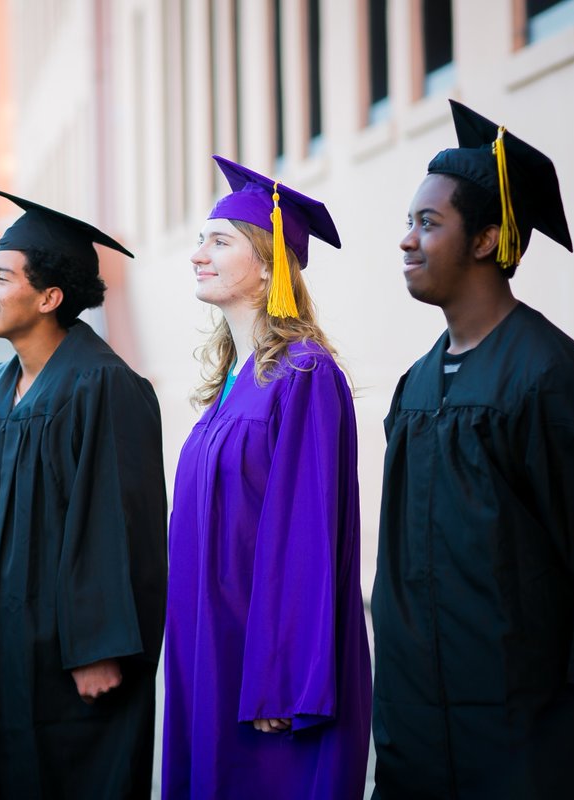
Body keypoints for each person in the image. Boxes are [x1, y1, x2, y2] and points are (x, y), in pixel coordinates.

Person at [371, 100, 574, 799]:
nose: (407, 241)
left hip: (528, 740)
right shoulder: (416, 387)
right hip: (419, 735)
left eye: (429, 223)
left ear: (485, 239)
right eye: (408, 223)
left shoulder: (549, 378)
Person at [0, 190, 167, 800]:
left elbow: (122, 526)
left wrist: (101, 648)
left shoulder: (105, 386)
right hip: (1, 641)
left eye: (1, 276)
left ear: (50, 297)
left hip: (71, 656)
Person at [162, 155, 372, 799]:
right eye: (200, 239)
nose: (198, 253)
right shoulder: (232, 382)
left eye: (219, 241)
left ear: (268, 264)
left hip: (264, 665)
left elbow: (307, 536)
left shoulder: (304, 377)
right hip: (210, 649)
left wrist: (281, 676)